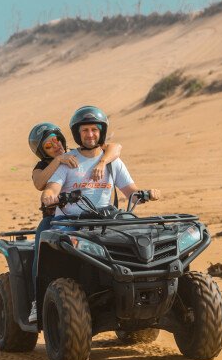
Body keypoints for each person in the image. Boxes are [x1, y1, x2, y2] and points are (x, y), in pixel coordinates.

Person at [31, 106, 161, 322]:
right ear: (77, 134)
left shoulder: (113, 162)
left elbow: (131, 192)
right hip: (69, 222)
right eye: (85, 131)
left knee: (141, 242)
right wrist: (49, 196)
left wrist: (148, 193)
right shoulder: (67, 161)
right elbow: (50, 187)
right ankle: (39, 301)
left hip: (106, 221)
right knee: (50, 255)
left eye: (94, 130)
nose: (90, 135)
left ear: (100, 131)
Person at [28, 121, 122, 322]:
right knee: (40, 251)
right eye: (48, 145)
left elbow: (115, 148)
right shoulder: (43, 165)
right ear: (41, 152)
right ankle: (37, 301)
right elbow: (39, 183)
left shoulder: (80, 153)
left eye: (56, 140)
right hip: (55, 219)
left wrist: (102, 161)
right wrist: (59, 160)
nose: (55, 145)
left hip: (94, 216)